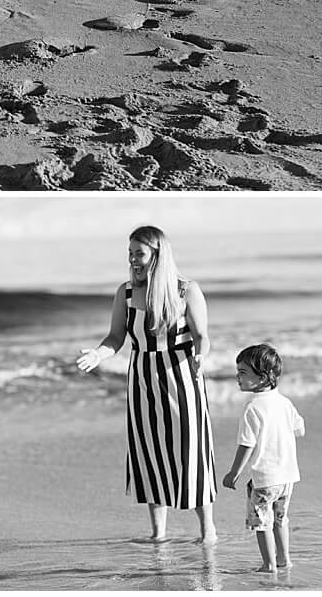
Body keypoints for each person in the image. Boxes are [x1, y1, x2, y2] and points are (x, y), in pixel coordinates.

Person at [77, 225, 217, 543]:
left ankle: (207, 529)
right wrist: (98, 355)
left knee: (190, 450)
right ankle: (159, 533)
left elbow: (202, 335)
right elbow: (115, 337)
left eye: (139, 253)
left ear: (158, 254)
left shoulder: (186, 290)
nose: (133, 260)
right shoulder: (125, 293)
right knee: (149, 451)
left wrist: (201, 356)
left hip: (182, 377)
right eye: (130, 254)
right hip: (141, 380)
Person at [221, 343, 305, 573]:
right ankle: (284, 559)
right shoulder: (284, 402)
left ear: (262, 377)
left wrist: (234, 473)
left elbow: (246, 445)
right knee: (280, 520)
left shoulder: (252, 408)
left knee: (261, 524)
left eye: (243, 373)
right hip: (287, 476)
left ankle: (269, 565)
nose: (237, 377)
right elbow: (300, 428)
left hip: (264, 478)